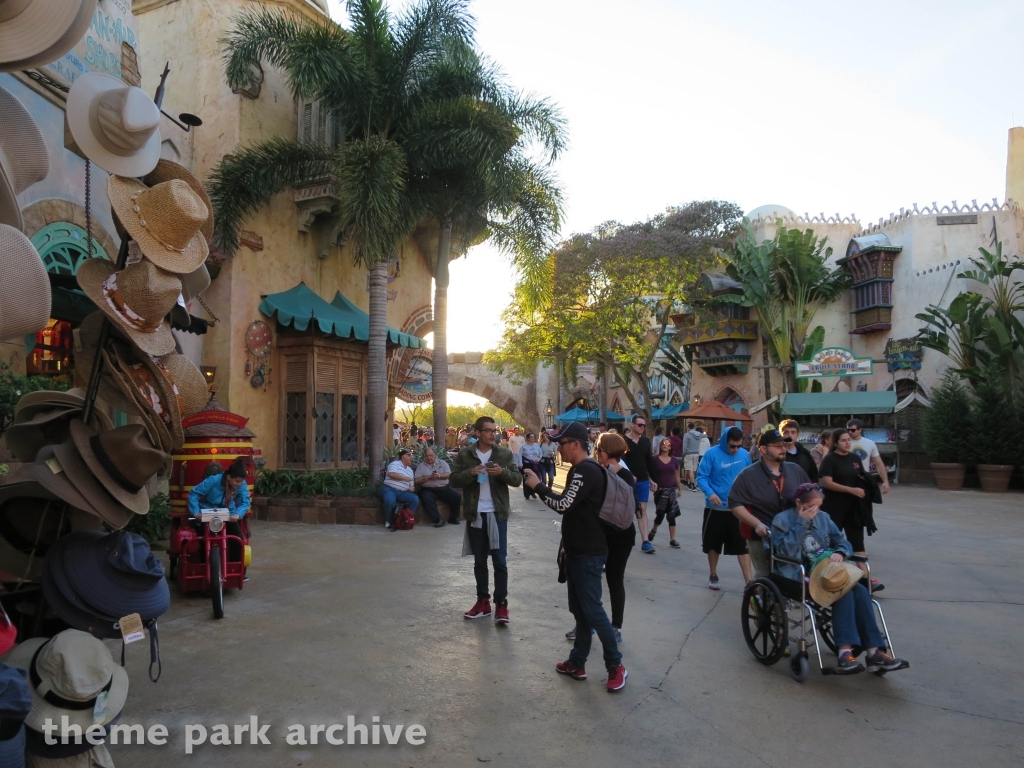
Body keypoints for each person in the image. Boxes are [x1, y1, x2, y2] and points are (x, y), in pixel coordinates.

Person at [523, 422, 628, 692]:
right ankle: (577, 662)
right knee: (581, 612)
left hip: (588, 553)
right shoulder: (580, 469)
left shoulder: (586, 470)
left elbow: (563, 504)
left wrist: (537, 486)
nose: (558, 448)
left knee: (592, 611)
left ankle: (615, 664)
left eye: (561, 443)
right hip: (577, 550)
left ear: (575, 444)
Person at [771, 483, 907, 674]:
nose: (815, 511)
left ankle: (873, 651)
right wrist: (801, 522)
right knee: (844, 593)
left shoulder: (824, 518)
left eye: (818, 506)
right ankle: (845, 652)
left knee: (860, 590)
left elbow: (842, 542)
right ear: (799, 503)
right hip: (797, 574)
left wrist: (840, 552)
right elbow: (784, 552)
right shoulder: (782, 520)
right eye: (811, 507)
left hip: (828, 573)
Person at [450, 416, 522, 624]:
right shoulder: (466, 454)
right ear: (478, 433)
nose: (493, 434)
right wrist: (470, 473)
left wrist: (502, 472)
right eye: (488, 430)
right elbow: (454, 480)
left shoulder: (504, 454)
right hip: (476, 513)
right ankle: (483, 602)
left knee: (499, 561)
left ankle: (501, 604)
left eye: (494, 430)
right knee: (480, 561)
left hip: (497, 513)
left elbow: (517, 479)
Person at [727, 429, 810, 579]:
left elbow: (810, 494)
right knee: (765, 574)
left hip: (793, 532)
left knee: (794, 572)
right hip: (762, 535)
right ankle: (761, 593)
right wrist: (756, 524)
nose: (783, 448)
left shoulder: (795, 470)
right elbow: (734, 503)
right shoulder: (748, 475)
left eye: (784, 445)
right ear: (763, 449)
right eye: (777, 446)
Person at [819, 428, 883, 591]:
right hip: (833, 508)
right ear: (835, 443)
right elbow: (826, 482)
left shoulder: (855, 458)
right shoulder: (830, 459)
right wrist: (851, 490)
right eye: (843, 440)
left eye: (849, 440)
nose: (847, 443)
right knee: (832, 545)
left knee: (857, 542)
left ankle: (866, 581)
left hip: (854, 508)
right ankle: (830, 581)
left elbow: (861, 475)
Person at [695, 427, 753, 589]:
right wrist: (710, 493)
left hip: (739, 509)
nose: (735, 450)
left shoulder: (745, 455)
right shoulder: (711, 454)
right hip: (716, 508)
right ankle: (713, 574)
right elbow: (701, 477)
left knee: (743, 546)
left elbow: (750, 477)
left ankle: (749, 582)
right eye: (732, 446)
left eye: (739, 446)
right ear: (725, 441)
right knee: (713, 544)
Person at [188, 459, 250, 562]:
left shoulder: (241, 484)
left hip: (228, 515)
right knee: (203, 539)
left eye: (241, 481)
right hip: (207, 513)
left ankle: (235, 568)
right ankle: (204, 566)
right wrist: (196, 511)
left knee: (238, 539)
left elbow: (245, 502)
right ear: (229, 477)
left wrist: (238, 514)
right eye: (237, 481)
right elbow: (193, 493)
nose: (239, 484)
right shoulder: (213, 480)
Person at [623, 415, 654, 554]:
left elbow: (649, 462)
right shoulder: (623, 441)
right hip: (627, 481)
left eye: (644, 425)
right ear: (632, 425)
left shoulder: (646, 441)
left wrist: (652, 479)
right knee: (627, 509)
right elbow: (620, 462)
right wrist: (628, 475)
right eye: (640, 425)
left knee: (642, 509)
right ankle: (622, 538)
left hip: (643, 481)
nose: (642, 427)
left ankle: (645, 541)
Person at [647, 437, 682, 548]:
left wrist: (679, 488)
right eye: (663, 443)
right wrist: (651, 482)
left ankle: (673, 539)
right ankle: (654, 529)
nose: (665, 445)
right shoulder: (654, 459)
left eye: (667, 444)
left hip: (671, 490)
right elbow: (648, 472)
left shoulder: (674, 460)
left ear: (670, 447)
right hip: (660, 491)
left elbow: (676, 475)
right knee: (660, 514)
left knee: (672, 515)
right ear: (660, 446)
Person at [414, 447, 461, 526]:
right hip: (428, 489)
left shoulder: (442, 463)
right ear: (424, 457)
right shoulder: (421, 466)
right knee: (427, 498)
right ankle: (438, 520)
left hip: (444, 488)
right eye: (427, 456)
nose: (429, 458)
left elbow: (448, 474)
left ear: (434, 455)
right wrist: (428, 477)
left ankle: (453, 518)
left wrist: (438, 476)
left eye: (431, 455)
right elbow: (417, 480)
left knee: (457, 496)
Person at [847, 419, 890, 494]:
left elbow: (879, 464)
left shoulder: (870, 443)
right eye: (848, 430)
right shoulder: (845, 443)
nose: (850, 432)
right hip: (847, 480)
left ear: (860, 430)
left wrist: (885, 481)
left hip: (864, 479)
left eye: (853, 430)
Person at [381, 449, 419, 532]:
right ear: (403, 457)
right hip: (390, 489)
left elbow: (411, 483)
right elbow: (391, 474)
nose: (411, 457)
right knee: (390, 500)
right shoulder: (395, 464)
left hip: (403, 492)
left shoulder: (410, 470)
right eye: (408, 455)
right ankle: (389, 521)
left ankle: (406, 519)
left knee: (414, 499)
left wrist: (411, 488)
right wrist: (404, 478)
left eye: (411, 455)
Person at [519, 431, 543, 500]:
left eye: (533, 437)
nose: (533, 438)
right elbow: (519, 455)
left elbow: (540, 453)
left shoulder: (536, 445)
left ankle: (533, 492)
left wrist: (538, 459)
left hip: (535, 464)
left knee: (535, 478)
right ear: (527, 438)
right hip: (527, 464)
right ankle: (527, 494)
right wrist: (520, 464)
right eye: (531, 437)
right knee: (527, 479)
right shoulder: (523, 446)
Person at [682, 421, 703, 490]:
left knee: (690, 469)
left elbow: (684, 446)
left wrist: (683, 453)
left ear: (688, 428)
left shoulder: (686, 435)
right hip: (696, 453)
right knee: (693, 469)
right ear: (694, 427)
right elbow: (705, 436)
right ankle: (691, 483)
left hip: (689, 453)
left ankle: (693, 485)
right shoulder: (700, 435)